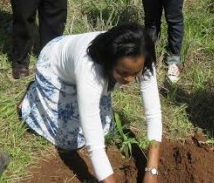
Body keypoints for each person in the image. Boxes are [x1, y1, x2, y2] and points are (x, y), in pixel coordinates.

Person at [20, 23, 162, 183]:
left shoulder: (143, 56)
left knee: (105, 127)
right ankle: (33, 98)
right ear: (109, 62)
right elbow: (94, 143)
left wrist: (152, 171)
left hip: (88, 74)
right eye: (123, 73)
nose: (129, 80)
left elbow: (153, 113)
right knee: (71, 141)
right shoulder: (90, 68)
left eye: (135, 73)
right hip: (54, 69)